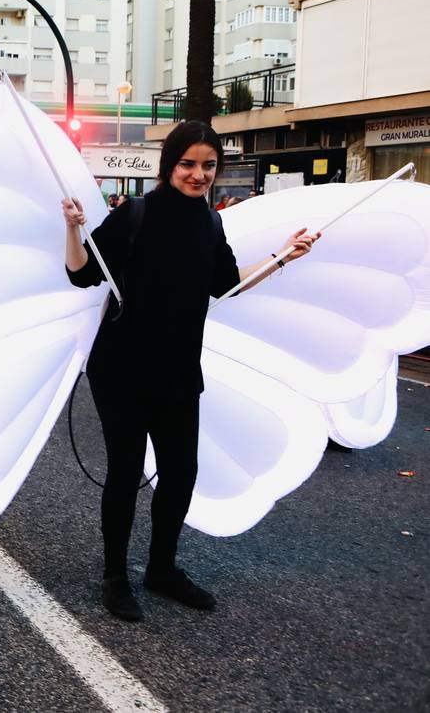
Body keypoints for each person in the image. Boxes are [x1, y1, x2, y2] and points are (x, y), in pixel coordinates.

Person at [62, 120, 319, 622]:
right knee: (124, 469)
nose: (198, 175)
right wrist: (72, 227)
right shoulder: (134, 215)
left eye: (208, 166)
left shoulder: (211, 224)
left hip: (179, 369)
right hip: (122, 369)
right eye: (188, 164)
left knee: (181, 473)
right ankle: (115, 576)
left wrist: (285, 255)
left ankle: (161, 570)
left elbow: (227, 284)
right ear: (169, 165)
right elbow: (81, 273)